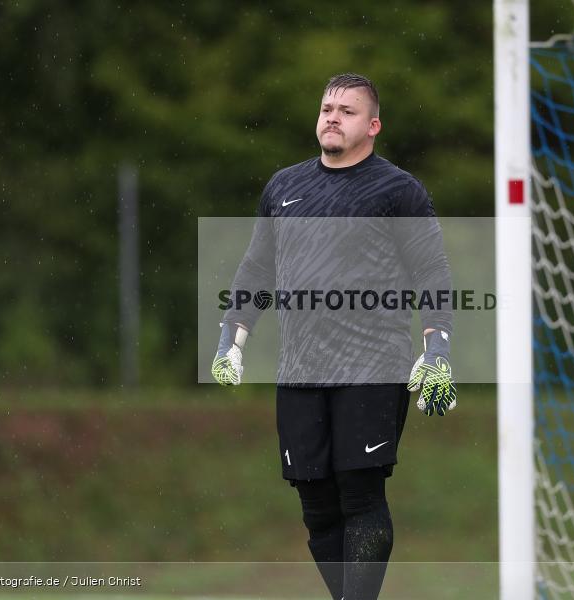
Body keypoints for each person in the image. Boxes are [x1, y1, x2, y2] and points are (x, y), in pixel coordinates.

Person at [211, 73, 456, 600]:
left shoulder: (399, 190)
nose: (331, 116)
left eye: (346, 110)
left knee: (360, 492)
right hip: (300, 369)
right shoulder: (284, 187)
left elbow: (431, 272)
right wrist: (231, 337)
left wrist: (436, 347)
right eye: (326, 107)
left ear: (372, 126)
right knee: (316, 502)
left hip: (373, 365)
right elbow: (257, 269)